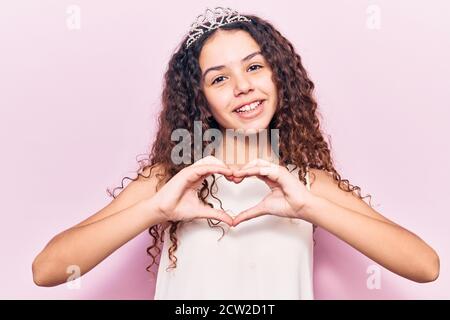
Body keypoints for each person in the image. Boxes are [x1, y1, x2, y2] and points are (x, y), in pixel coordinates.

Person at [32, 7, 440, 299]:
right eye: (220, 78)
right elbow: (47, 270)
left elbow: (425, 266)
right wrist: (155, 209)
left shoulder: (307, 183)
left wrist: (310, 207)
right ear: (201, 100)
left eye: (255, 67)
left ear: (280, 78)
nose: (242, 86)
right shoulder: (169, 179)